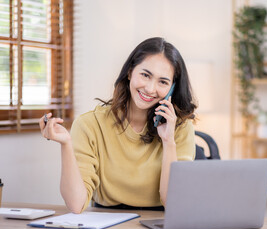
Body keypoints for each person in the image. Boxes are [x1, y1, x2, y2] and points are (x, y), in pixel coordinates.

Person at [39, 37, 197, 213]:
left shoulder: (181, 128)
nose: (151, 89)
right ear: (130, 72)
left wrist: (169, 142)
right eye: (145, 75)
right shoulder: (90, 124)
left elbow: (174, 204)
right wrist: (66, 144)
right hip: (107, 224)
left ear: (172, 89)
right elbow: (76, 204)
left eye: (163, 82)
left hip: (159, 223)